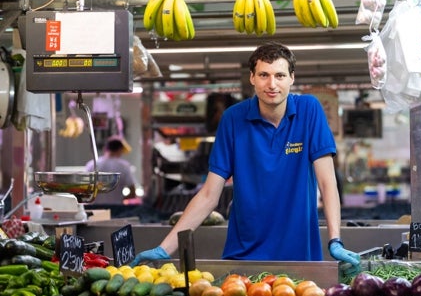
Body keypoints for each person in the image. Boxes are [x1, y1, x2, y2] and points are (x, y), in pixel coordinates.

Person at [131, 42, 361, 275]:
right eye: (264, 75)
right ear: (252, 77)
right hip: (243, 257)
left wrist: (335, 240)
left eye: (280, 75)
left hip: (299, 255)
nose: (272, 84)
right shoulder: (233, 119)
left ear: (292, 78)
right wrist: (164, 248)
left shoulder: (309, 110)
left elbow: (327, 182)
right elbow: (210, 195)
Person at [85, 135, 137, 204]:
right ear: (119, 149)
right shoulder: (124, 166)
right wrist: (120, 199)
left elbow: (84, 190)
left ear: (105, 149)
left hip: (95, 209)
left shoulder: (91, 164)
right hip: (115, 209)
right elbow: (133, 193)